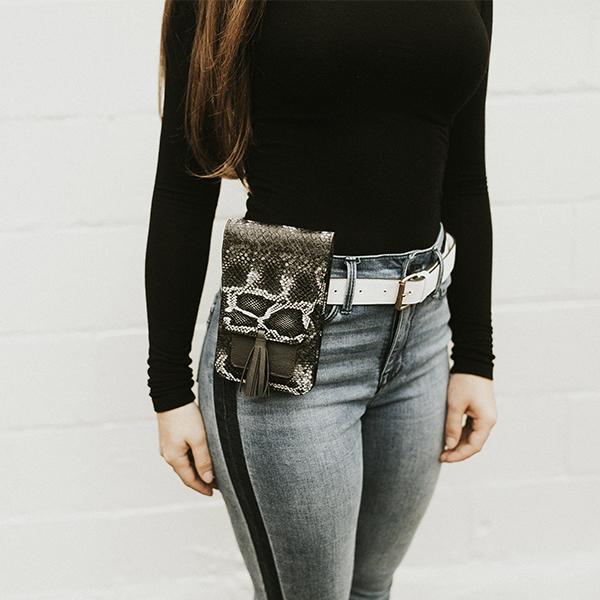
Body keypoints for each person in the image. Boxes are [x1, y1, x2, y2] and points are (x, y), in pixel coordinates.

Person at [144, 1, 498, 598]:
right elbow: (184, 186)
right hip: (280, 315)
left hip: (421, 327)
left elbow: (463, 172)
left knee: (370, 588)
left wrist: (475, 356)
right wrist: (169, 390)